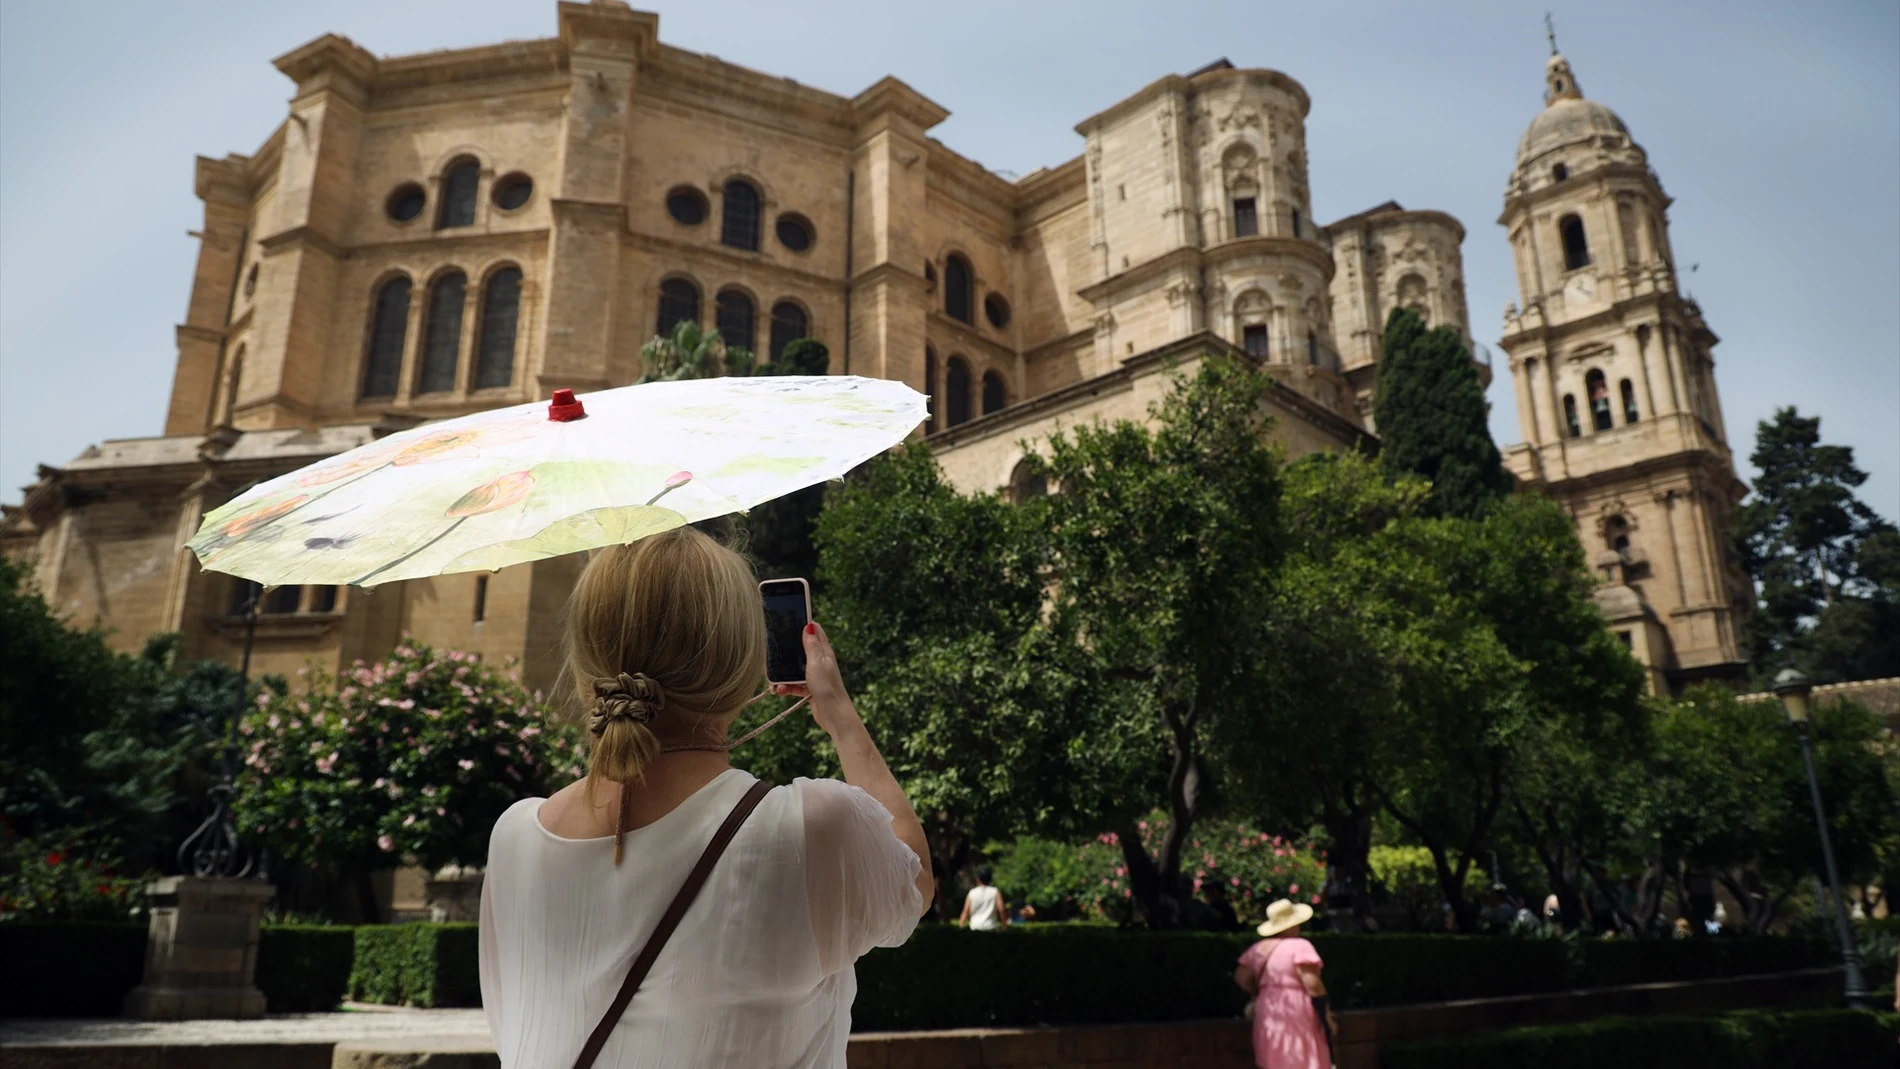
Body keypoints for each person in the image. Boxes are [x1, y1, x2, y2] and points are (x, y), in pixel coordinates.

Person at [478, 527, 934, 1068]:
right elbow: (912, 880)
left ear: (585, 661)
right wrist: (840, 716)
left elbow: (514, 1027)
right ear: (744, 665)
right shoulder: (808, 829)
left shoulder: (513, 837)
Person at [1234, 898, 1336, 1069]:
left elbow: (1241, 977)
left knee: (1273, 1057)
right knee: (1302, 1056)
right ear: (1292, 925)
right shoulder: (1300, 946)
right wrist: (1326, 1016)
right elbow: (1313, 984)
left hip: (1267, 1006)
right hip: (1295, 1007)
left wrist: (1260, 990)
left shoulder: (1259, 948)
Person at [959, 865, 1008, 930]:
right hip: (991, 926)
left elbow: (965, 911)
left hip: (975, 927)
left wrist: (961, 925)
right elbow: (1001, 910)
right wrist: (1004, 925)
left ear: (978, 879)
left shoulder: (972, 892)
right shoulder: (995, 892)